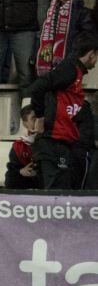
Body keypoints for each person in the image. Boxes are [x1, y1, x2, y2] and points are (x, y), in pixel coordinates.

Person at [27, 32, 98, 189]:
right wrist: (40, 116)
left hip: (62, 143)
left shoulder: (75, 72)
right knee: (56, 195)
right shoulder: (69, 69)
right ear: (91, 54)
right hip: (52, 142)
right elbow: (37, 87)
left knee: (62, 193)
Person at [35, 0, 95, 77]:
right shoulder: (51, 7)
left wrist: (75, 51)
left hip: (71, 55)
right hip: (50, 56)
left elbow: (87, 32)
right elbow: (46, 32)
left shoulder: (81, 8)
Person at [4, 104, 38, 189]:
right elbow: (10, 179)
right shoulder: (19, 147)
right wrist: (21, 172)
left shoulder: (56, 143)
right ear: (25, 124)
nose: (38, 121)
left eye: (40, 118)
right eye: (34, 119)